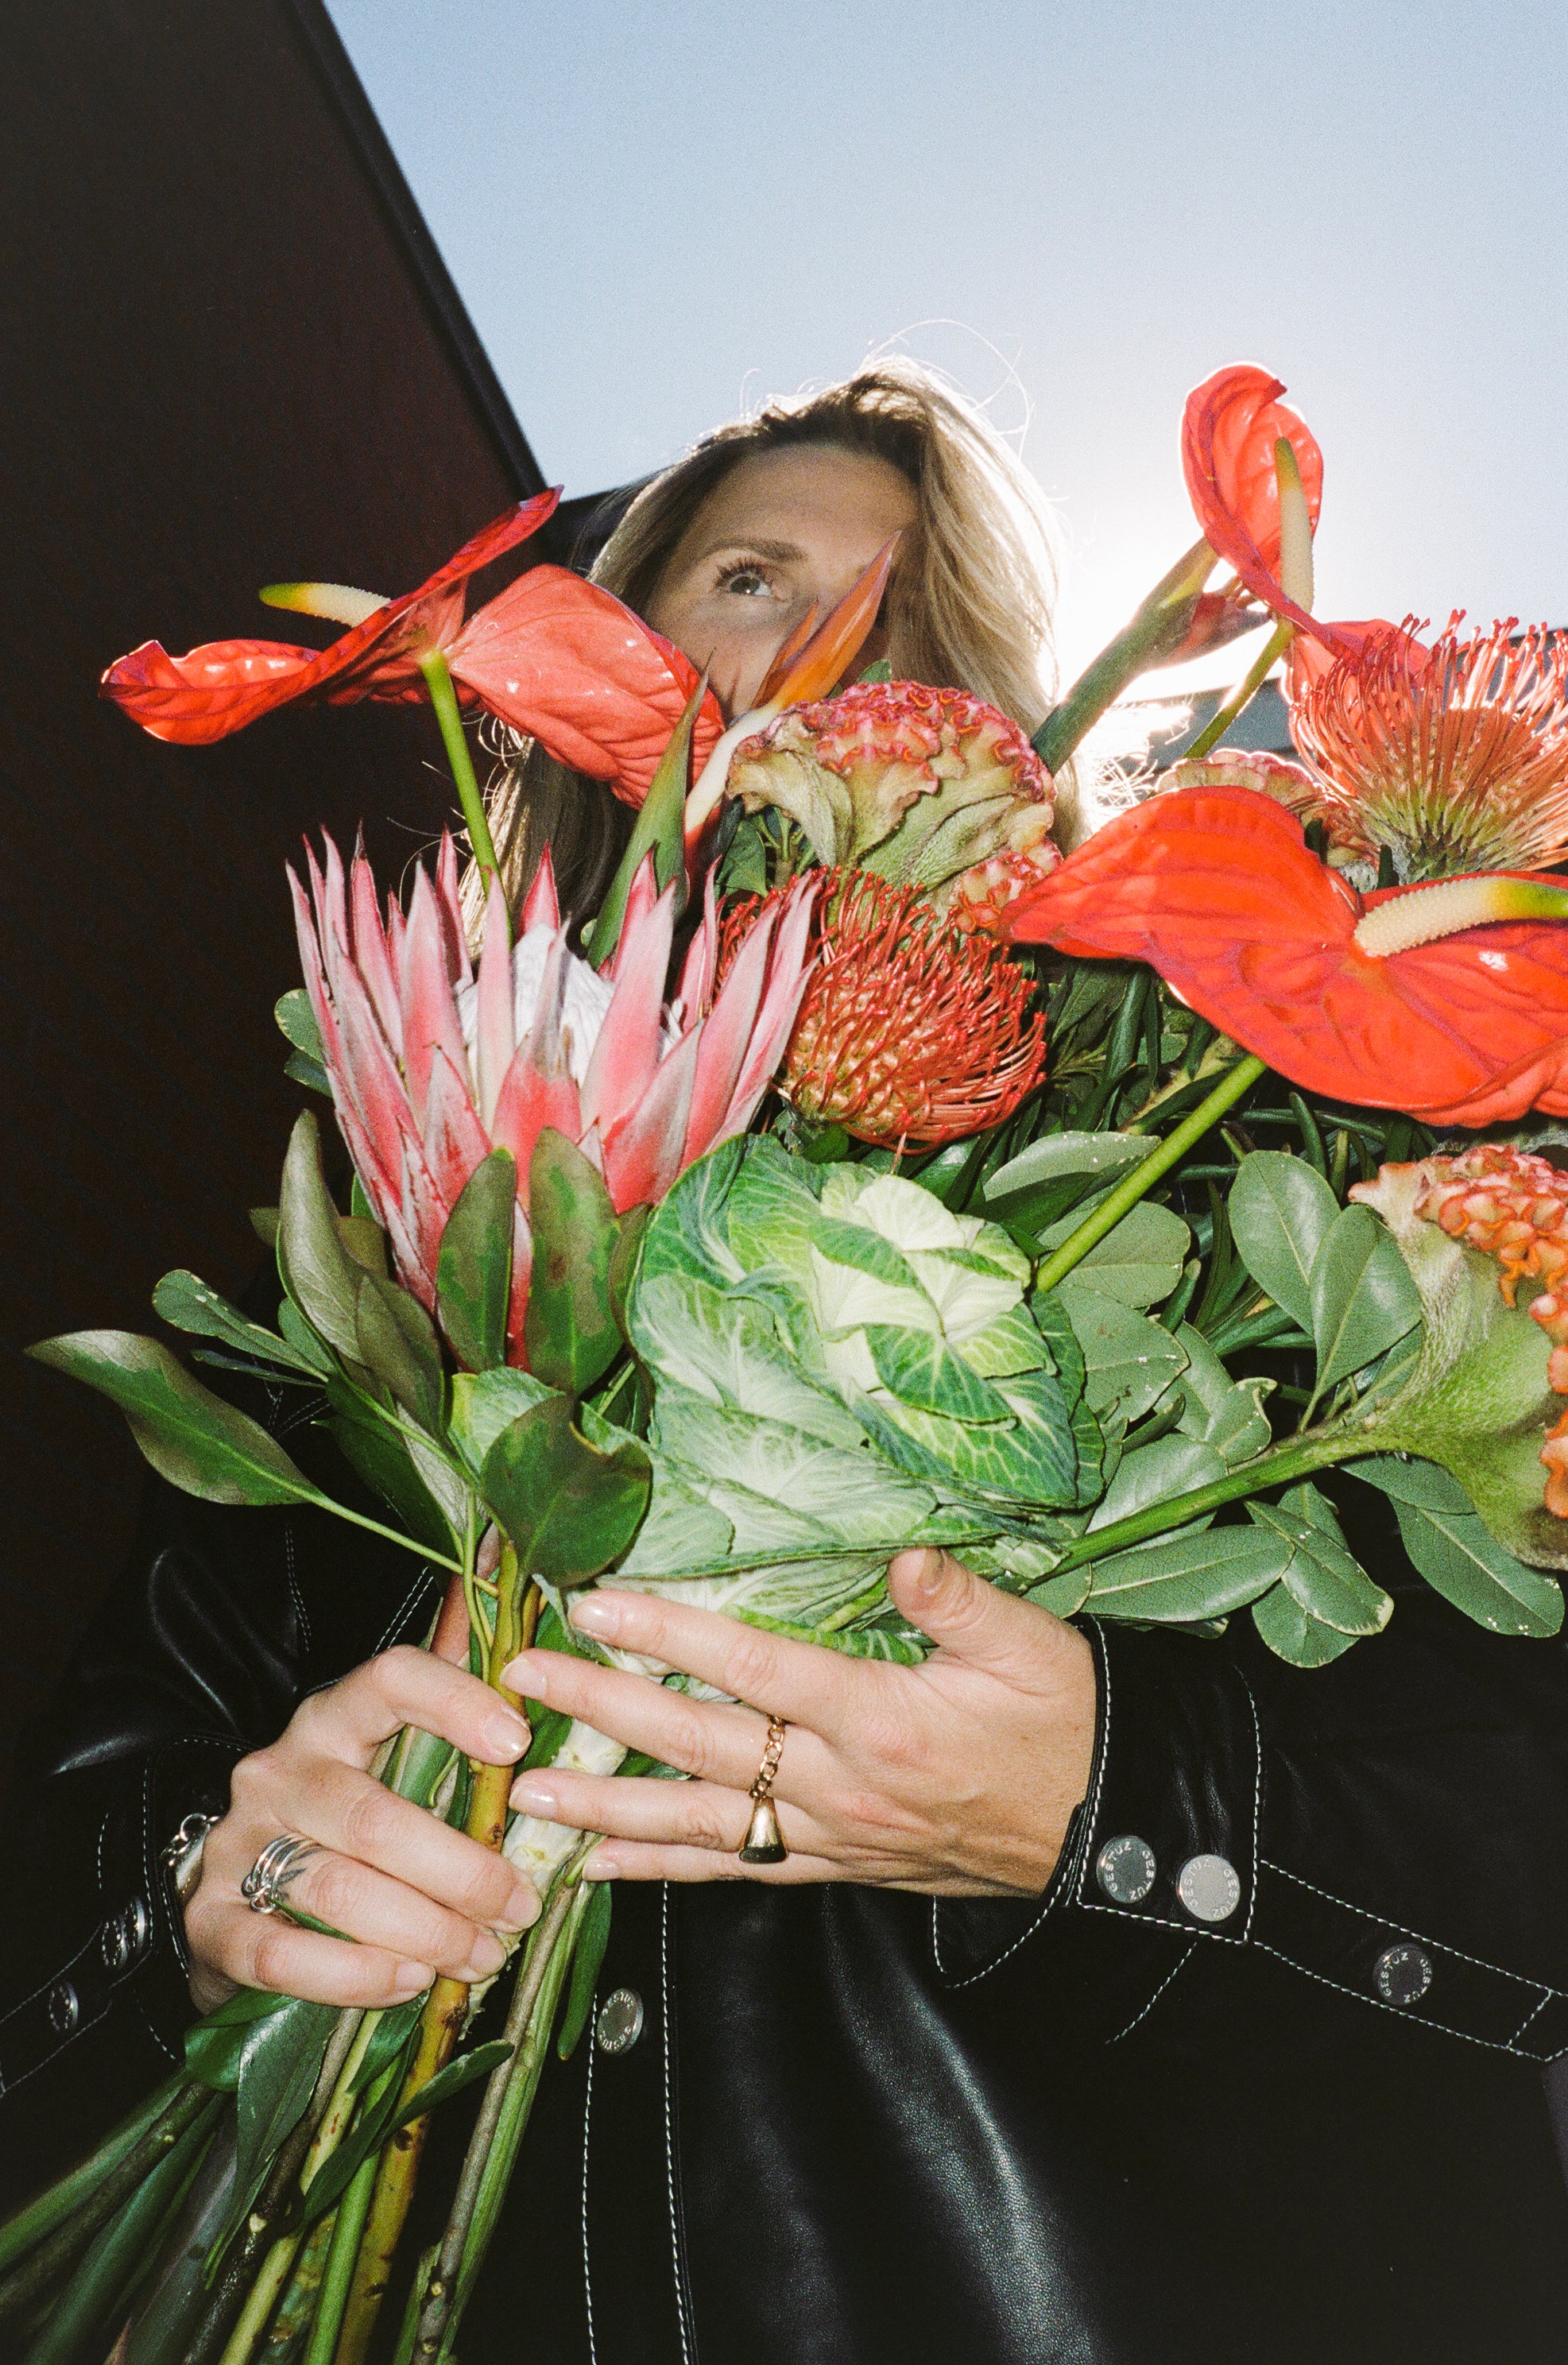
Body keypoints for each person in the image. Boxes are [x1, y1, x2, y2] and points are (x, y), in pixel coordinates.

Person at [4, 362, 1568, 2365]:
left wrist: (1115, 1798)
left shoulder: (1291, 1179)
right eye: (753, 576)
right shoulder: (407, 1211)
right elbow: (100, 1805)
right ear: (598, 647)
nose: (829, 650)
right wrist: (222, 1897)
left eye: (916, 619)